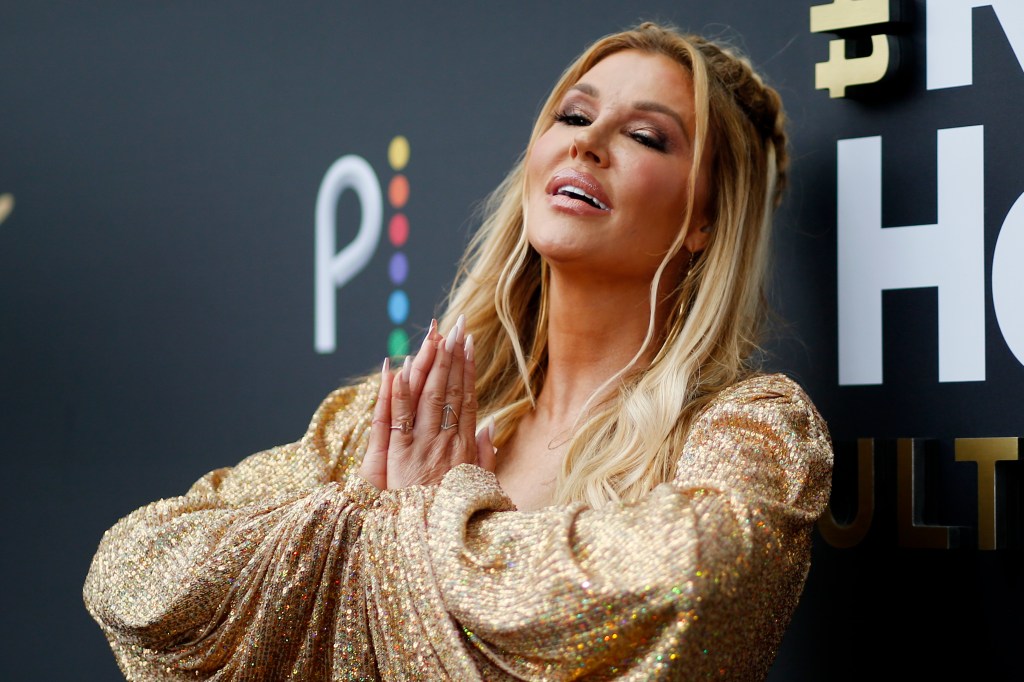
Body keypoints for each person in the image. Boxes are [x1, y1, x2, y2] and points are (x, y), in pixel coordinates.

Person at [84, 21, 833, 681]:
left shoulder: (747, 431)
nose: (587, 144)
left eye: (645, 136)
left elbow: (692, 576)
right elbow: (130, 573)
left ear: (705, 219)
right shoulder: (390, 422)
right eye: (574, 115)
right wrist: (359, 516)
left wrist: (428, 518)